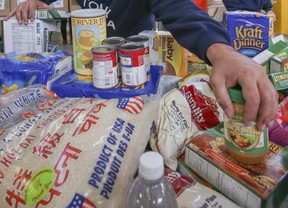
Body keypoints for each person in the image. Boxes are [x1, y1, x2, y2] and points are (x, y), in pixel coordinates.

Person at [5, 0, 278, 131]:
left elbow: (181, 11)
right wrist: (38, 5)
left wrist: (222, 52)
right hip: (89, 79)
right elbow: (41, 3)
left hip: (136, 81)